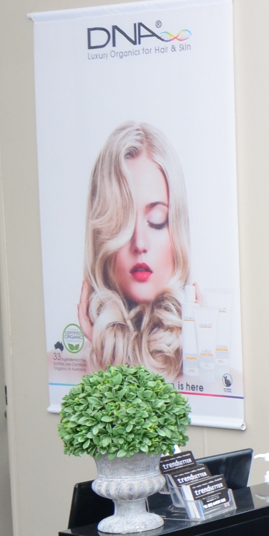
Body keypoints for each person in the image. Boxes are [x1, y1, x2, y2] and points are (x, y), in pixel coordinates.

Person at [75, 122, 194, 380]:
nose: (139, 243)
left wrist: (197, 345)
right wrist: (105, 350)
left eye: (156, 220)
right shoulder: (61, 368)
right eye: (123, 222)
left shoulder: (211, 375)